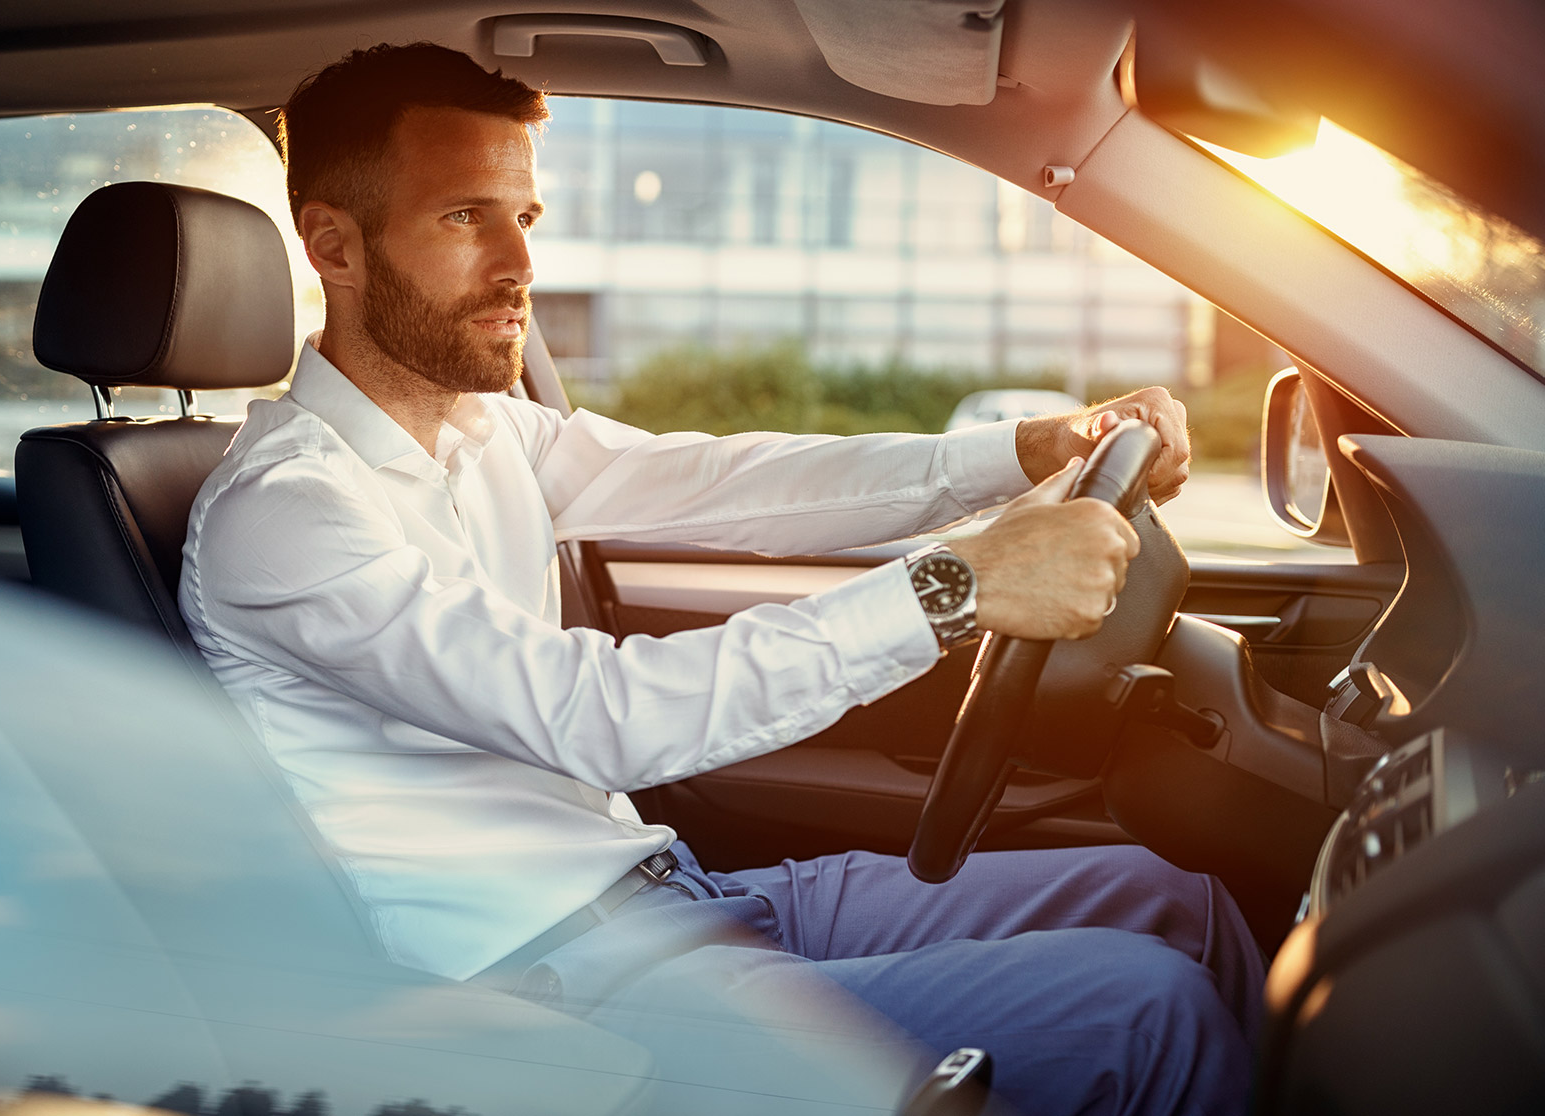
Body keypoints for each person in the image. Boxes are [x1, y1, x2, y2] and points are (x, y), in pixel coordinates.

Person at [180, 42, 1261, 1116]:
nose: (518, 261)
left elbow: (731, 481)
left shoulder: (481, 431)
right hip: (554, 986)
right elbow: (593, 717)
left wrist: (1022, 449)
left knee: (1179, 904)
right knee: (1143, 1009)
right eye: (466, 217)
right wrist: (952, 588)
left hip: (679, 892)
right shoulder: (285, 515)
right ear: (334, 245)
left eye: (527, 217)